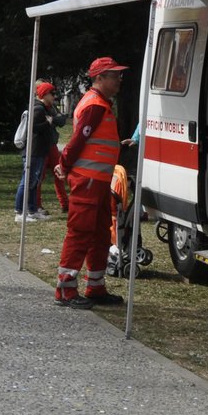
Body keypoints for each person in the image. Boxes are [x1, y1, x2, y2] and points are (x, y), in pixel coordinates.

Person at [52, 58, 129, 307]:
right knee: (81, 232)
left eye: (119, 75)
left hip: (97, 181)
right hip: (88, 181)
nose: (119, 79)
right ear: (99, 78)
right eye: (114, 75)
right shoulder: (95, 105)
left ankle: (95, 286)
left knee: (99, 234)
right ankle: (65, 289)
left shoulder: (100, 104)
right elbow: (77, 141)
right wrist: (64, 165)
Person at [14, 82, 61, 222]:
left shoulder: (44, 108)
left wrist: (51, 120)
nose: (54, 96)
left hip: (39, 150)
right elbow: (32, 127)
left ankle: (32, 209)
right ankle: (20, 211)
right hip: (33, 150)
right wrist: (48, 122)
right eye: (52, 94)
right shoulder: (38, 108)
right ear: (44, 94)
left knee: (34, 181)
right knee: (27, 180)